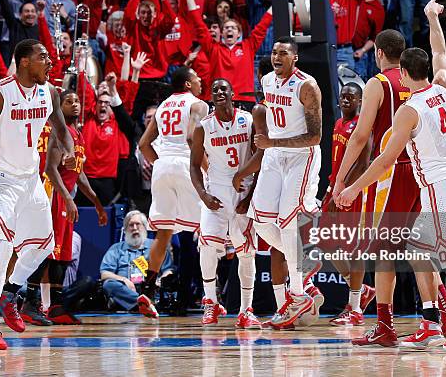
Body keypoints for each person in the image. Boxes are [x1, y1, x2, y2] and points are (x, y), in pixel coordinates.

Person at [338, 0, 446, 353]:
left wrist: (351, 188)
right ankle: (431, 321)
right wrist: (431, 18)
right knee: (418, 251)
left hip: (441, 186)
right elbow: (440, 52)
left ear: (405, 75)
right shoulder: (443, 86)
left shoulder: (409, 110)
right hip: (442, 184)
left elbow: (383, 162)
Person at [333, 29, 446, 347]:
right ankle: (445, 315)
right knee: (421, 249)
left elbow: (362, 135)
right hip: (421, 172)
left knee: (384, 251)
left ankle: (387, 325)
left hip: (391, 172)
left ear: (379, 53)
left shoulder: (378, 84)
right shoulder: (427, 87)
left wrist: (341, 177)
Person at [0, 39, 76, 350]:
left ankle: (10, 294)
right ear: (24, 62)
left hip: (31, 180)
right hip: (1, 179)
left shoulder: (49, 92)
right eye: (43, 58)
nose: (50, 63)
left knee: (45, 245)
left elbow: (61, 129)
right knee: (4, 245)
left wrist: (68, 151)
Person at [245, 36, 322, 328]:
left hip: (301, 157)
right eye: (274, 52)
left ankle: (299, 296)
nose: (277, 57)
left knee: (287, 222)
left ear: (295, 58)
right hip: (275, 156)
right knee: (261, 220)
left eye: (283, 54)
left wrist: (271, 141)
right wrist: (271, 143)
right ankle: (303, 265)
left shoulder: (307, 86)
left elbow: (315, 137)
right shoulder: (266, 81)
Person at [21, 90, 108, 326]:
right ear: (59, 108)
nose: (75, 105)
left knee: (63, 254)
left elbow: (78, 175)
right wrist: (68, 199)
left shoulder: (77, 134)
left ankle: (57, 307)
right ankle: (30, 302)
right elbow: (51, 170)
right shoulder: (59, 133)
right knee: (46, 250)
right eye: (68, 102)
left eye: (77, 101)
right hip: (51, 193)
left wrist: (97, 204)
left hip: (65, 195)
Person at [138, 66, 208, 318]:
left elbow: (143, 144)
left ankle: (148, 288)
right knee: (204, 228)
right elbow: (192, 138)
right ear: (188, 84)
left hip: (162, 166)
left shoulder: (163, 106)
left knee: (163, 233)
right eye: (197, 78)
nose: (201, 81)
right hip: (185, 164)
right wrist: (207, 171)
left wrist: (161, 163)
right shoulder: (197, 104)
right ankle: (210, 294)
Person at [189, 78, 260, 328]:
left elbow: (261, 158)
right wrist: (203, 196)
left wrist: (251, 198)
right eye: (215, 89)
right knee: (206, 246)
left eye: (223, 88)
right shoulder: (203, 127)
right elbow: (194, 166)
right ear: (211, 97)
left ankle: (245, 309)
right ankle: (210, 302)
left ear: (233, 93)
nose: (219, 92)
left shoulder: (248, 120)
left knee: (246, 253)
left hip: (243, 195)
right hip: (216, 196)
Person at [320, 82, 376, 327]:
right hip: (336, 189)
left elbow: (363, 164)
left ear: (360, 101)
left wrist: (341, 191)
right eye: (343, 96)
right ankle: (361, 290)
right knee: (325, 242)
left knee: (355, 249)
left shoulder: (363, 126)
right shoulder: (338, 123)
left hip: (355, 193)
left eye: (351, 97)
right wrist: (331, 190)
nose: (346, 100)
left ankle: (354, 309)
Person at [100, 210, 174, 312]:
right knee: (109, 284)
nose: (135, 228)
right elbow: (105, 273)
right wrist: (124, 280)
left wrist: (158, 281)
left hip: (152, 288)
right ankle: (144, 304)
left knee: (170, 283)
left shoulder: (156, 246)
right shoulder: (116, 248)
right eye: (131, 225)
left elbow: (168, 270)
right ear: (125, 229)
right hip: (126, 290)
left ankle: (143, 303)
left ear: (144, 227)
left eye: (138, 224)